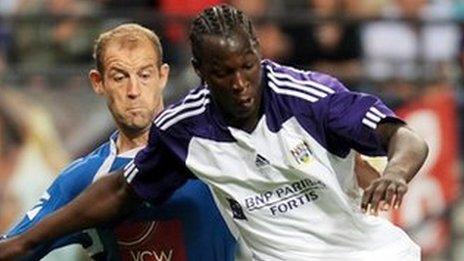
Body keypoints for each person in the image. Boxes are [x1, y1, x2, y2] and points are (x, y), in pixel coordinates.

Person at [0, 5, 429, 261]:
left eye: (247, 67)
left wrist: (395, 171)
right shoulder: (183, 131)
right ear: (201, 73)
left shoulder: (310, 97)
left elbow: (404, 136)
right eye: (225, 73)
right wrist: (22, 244)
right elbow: (120, 192)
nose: (241, 84)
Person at [1, 23, 238, 261]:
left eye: (144, 75)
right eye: (119, 77)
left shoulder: (212, 152)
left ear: (162, 76)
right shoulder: (83, 178)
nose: (133, 90)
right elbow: (15, 247)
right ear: (98, 82)